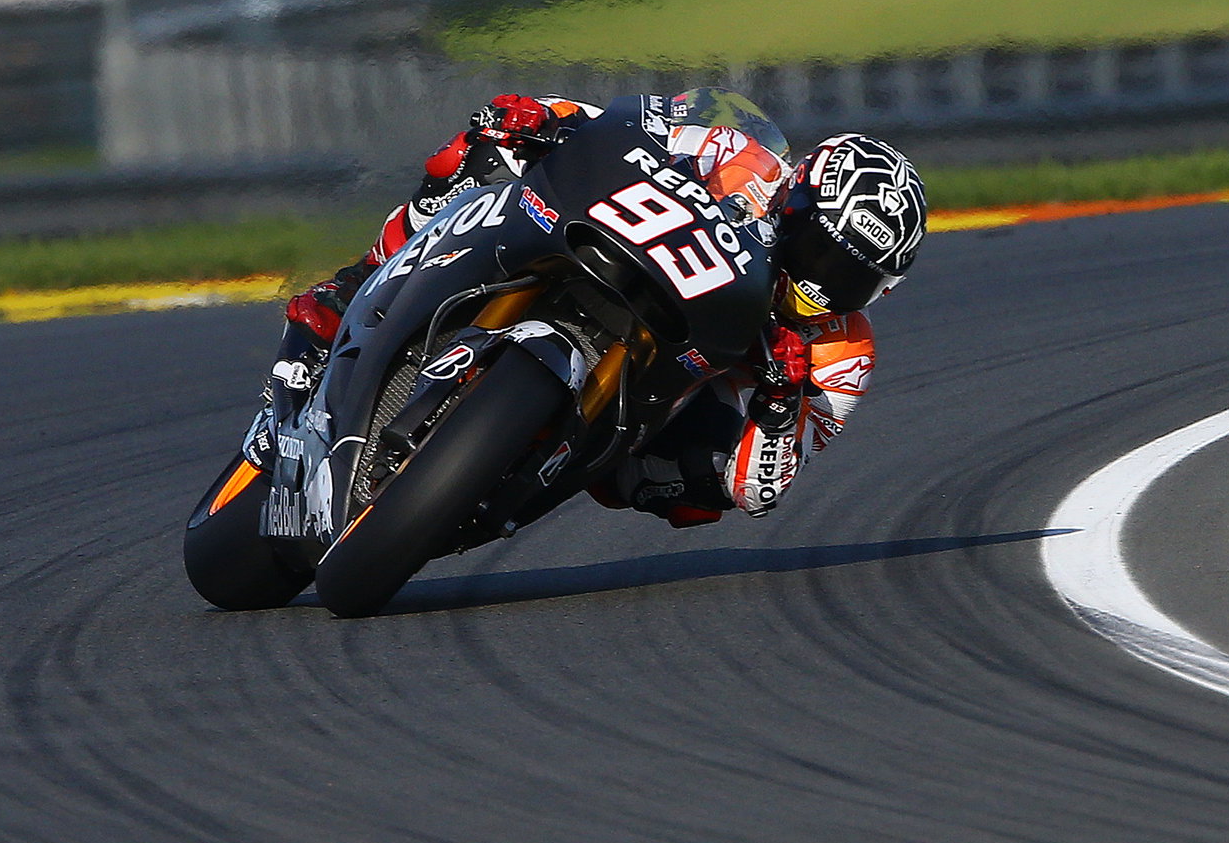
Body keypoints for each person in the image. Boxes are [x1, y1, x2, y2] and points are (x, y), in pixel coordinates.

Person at [285, 91, 927, 527]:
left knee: (701, 495)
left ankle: (541, 462)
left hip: (673, 388)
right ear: (795, 200)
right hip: (614, 246)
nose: (823, 283)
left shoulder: (842, 352)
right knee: (477, 153)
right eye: (821, 254)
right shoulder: (742, 160)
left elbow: (759, 489)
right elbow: (621, 124)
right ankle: (353, 286)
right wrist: (544, 116)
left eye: (853, 279)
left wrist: (781, 401)